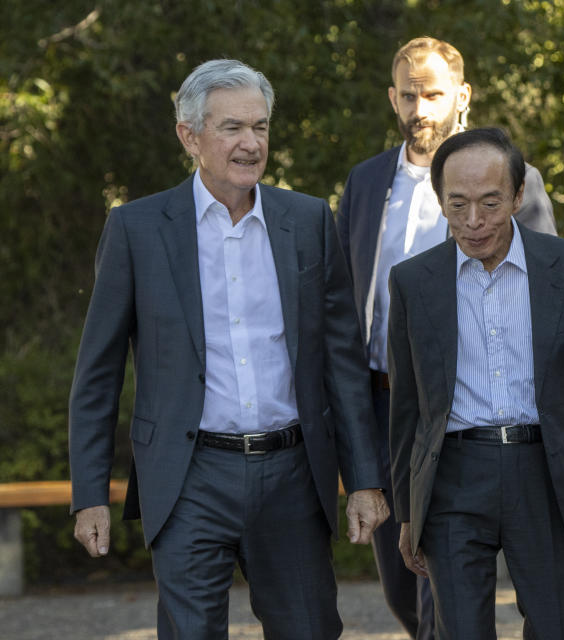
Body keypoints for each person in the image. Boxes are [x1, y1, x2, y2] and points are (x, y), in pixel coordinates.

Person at [68, 59, 388, 639]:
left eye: (260, 127)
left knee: (311, 630)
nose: (250, 143)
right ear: (190, 136)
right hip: (188, 478)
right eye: (232, 128)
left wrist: (364, 477)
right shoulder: (138, 230)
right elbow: (98, 373)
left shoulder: (309, 219)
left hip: (293, 475)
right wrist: (89, 495)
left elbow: (342, 361)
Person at [336, 36, 556, 639]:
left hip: (462, 412)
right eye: (408, 95)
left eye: (433, 93)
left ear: (462, 95)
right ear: (392, 98)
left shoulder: (513, 181)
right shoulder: (364, 183)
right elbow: (343, 300)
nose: (420, 108)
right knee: (401, 581)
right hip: (382, 402)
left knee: (446, 578)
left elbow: (547, 303)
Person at [387, 128, 564, 640]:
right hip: (452, 475)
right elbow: (408, 406)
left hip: (546, 471)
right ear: (440, 201)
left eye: (491, 203)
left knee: (560, 625)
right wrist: (408, 510)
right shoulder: (412, 281)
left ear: (518, 196)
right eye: (458, 204)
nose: (474, 222)